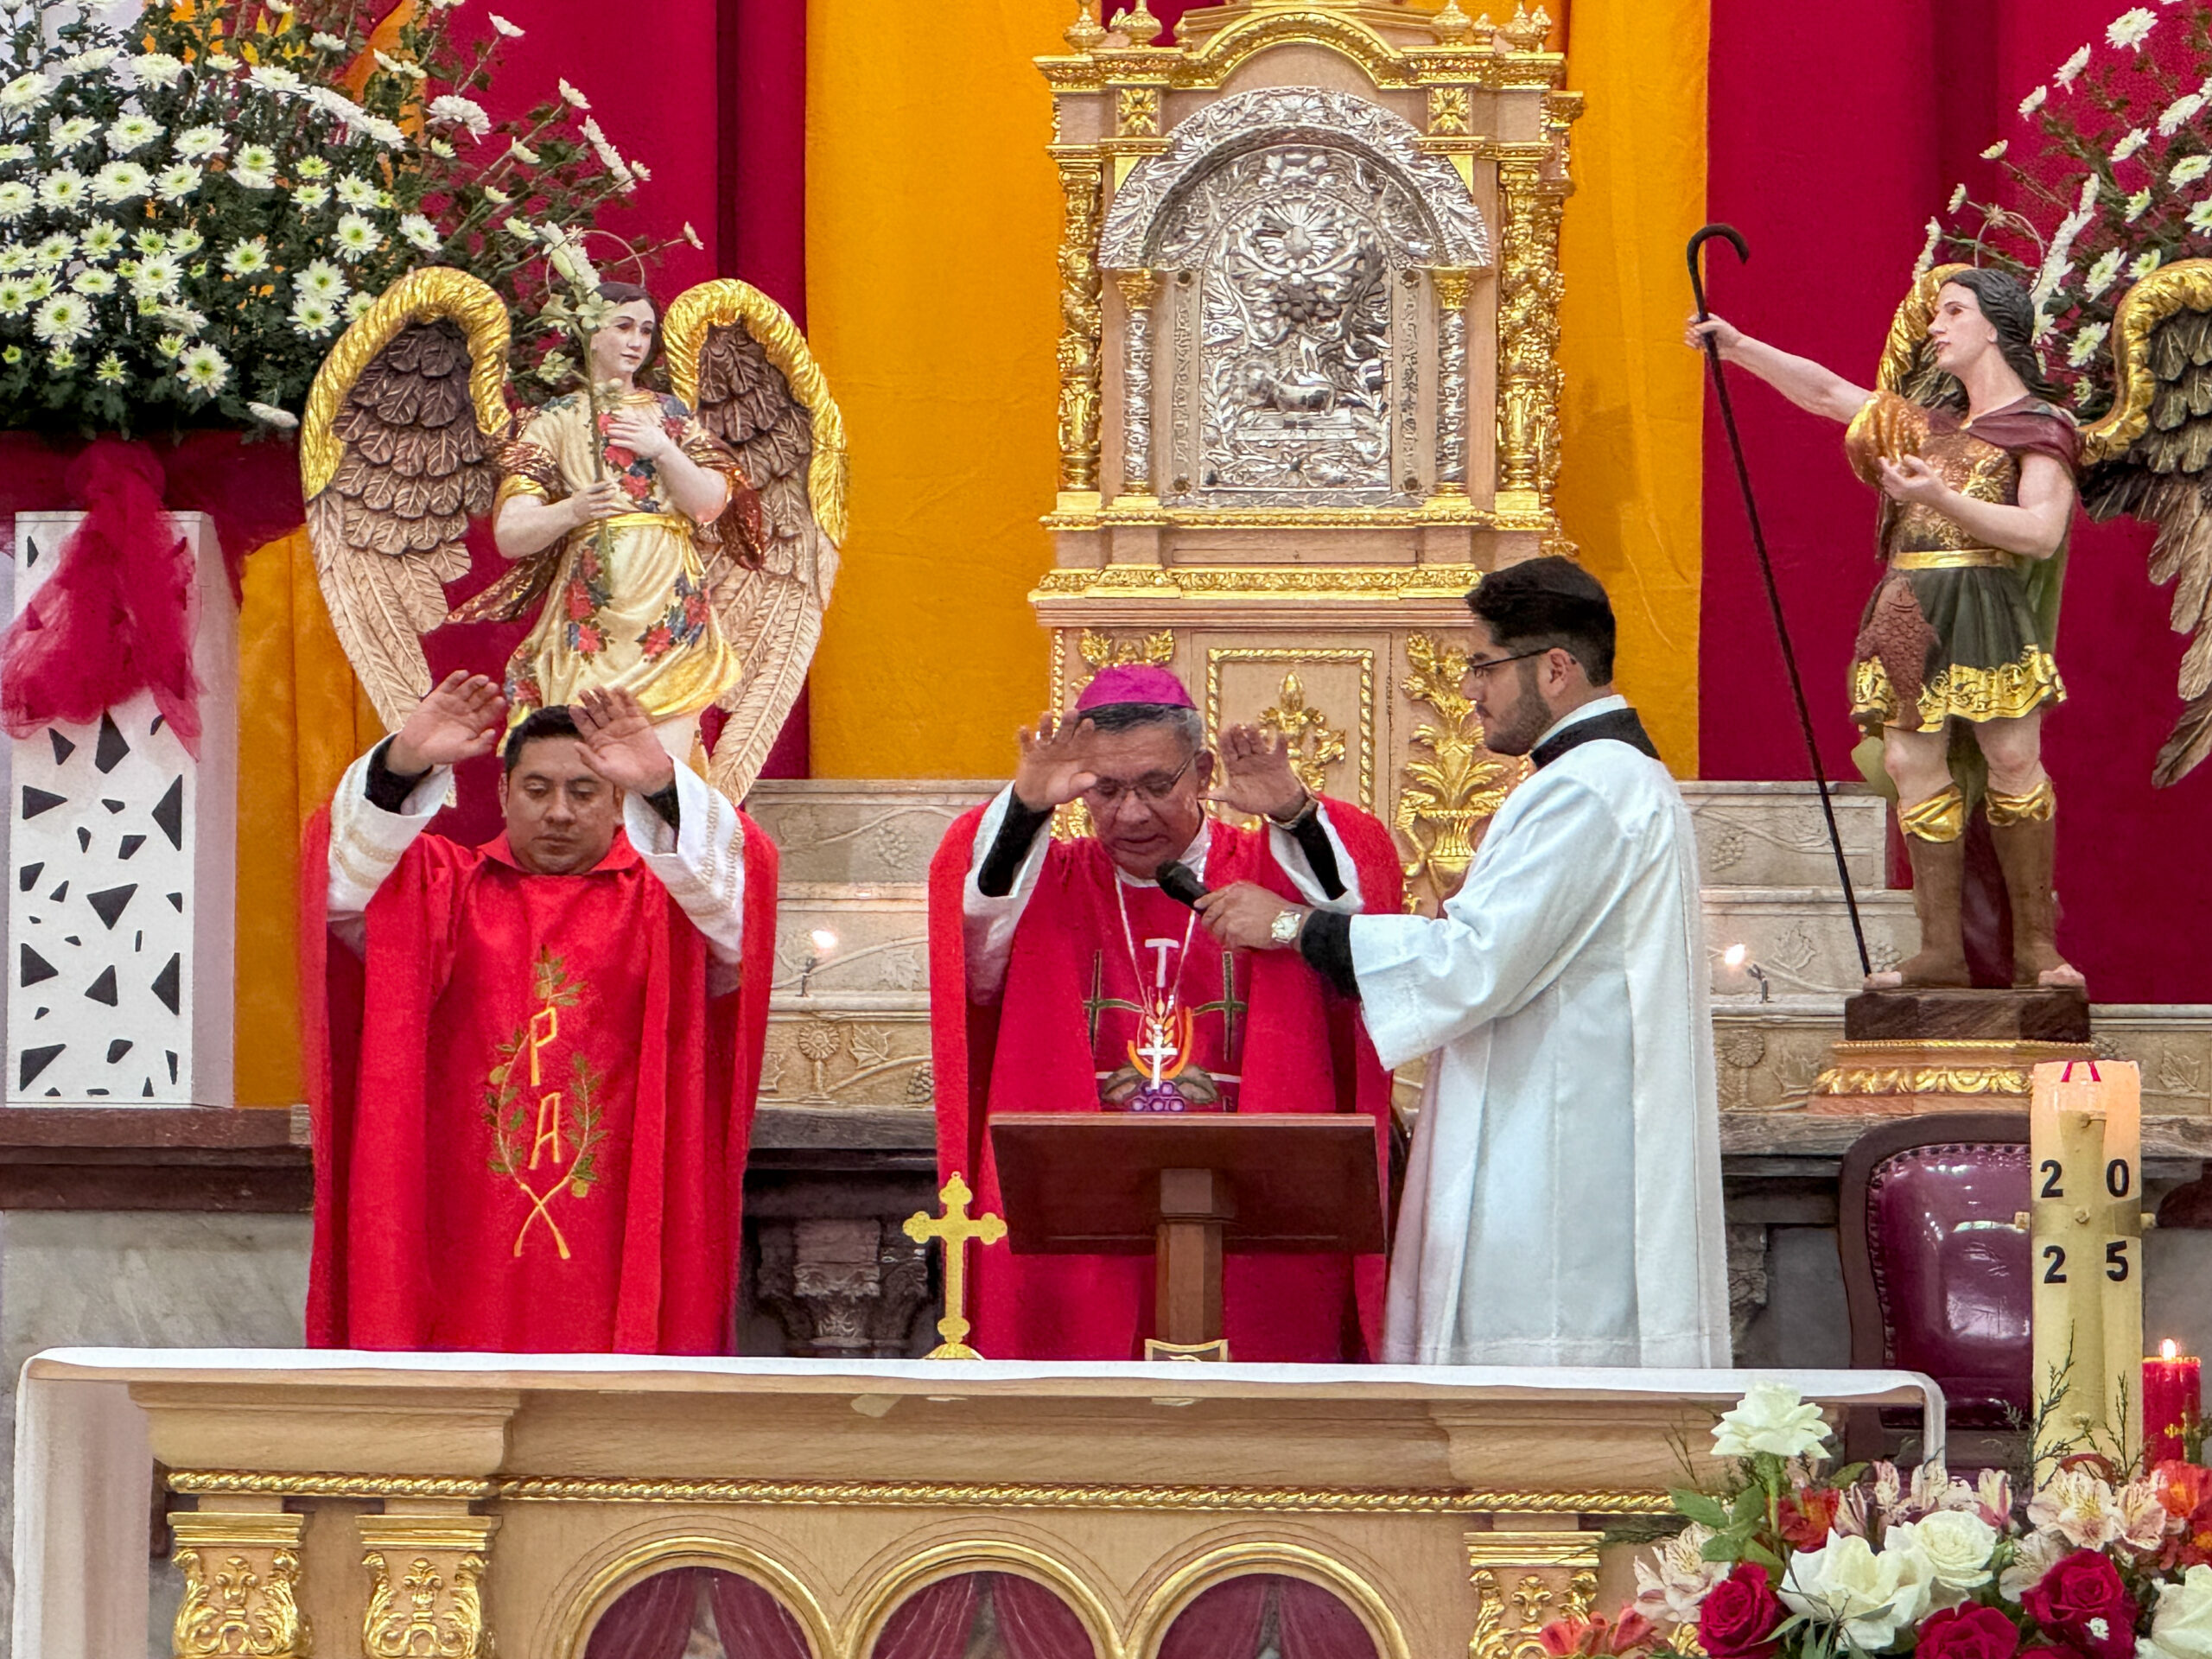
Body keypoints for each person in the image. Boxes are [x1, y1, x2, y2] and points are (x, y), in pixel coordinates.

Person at [1196, 560, 1730, 1367]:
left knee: (1536, 1425)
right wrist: (1300, 819)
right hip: (1551, 1131)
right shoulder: (1600, 783)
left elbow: (1473, 964)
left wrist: (1291, 927)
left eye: (1483, 665)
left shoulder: (1588, 792)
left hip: (1555, 1168)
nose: (1470, 690)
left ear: (1555, 668)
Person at [926, 664, 1404, 1361]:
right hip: (1081, 1213)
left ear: (1203, 771)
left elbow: (1361, 922)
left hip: (1255, 1212)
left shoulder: (1271, 876)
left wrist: (1294, 813)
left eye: (1157, 785)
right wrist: (1026, 806)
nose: (1130, 814)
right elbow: (972, 940)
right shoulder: (1048, 883)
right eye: (1104, 790)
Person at [302, 672, 777, 1353]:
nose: (558, 812)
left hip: (617, 1229)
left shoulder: (665, 904)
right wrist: (403, 762)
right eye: (536, 788)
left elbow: (745, 919)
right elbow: (337, 886)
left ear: (618, 804)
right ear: (501, 793)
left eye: (584, 792)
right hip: (461, 1229)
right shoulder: (441, 891)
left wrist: (661, 785)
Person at [1687, 269, 2081, 989]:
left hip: (1982, 601)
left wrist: (1941, 498)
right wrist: (1740, 346)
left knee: (2014, 758)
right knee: (1910, 766)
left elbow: (2039, 532)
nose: (1936, 326)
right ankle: (1941, 951)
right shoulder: (1922, 425)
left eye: (1953, 312)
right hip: (1907, 606)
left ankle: (2036, 949)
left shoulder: (2039, 425)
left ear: (1995, 327)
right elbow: (1829, 393)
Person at [474, 281, 766, 766]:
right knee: (584, 750)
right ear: (588, 331)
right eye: (623, 327)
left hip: (668, 598)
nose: (636, 342)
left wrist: (663, 450)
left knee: (663, 757)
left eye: (646, 331)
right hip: (595, 606)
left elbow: (710, 503)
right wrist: (573, 510)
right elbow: (510, 532)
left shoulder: (668, 415)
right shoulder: (554, 420)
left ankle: (661, 838)